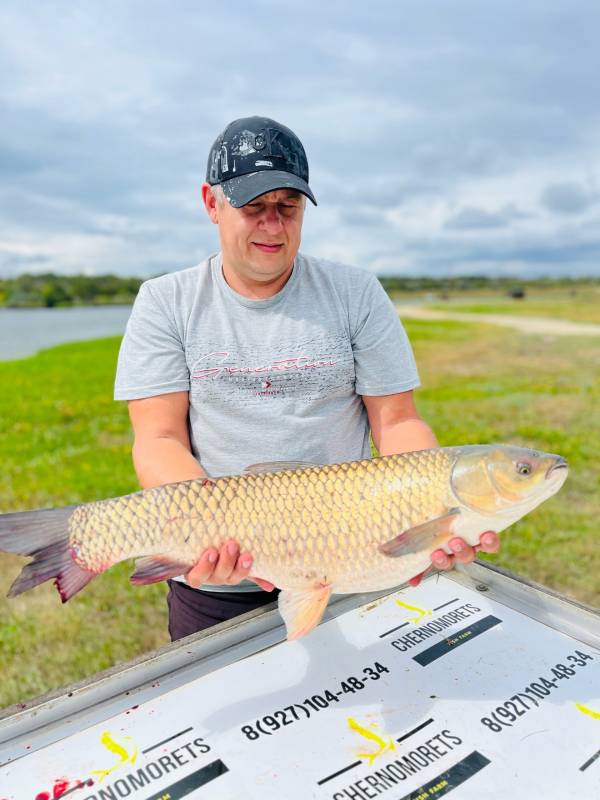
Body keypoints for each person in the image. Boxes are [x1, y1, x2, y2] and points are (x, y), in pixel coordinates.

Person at [114, 116, 499, 641]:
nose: (273, 226)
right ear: (211, 203)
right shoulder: (165, 302)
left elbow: (399, 422)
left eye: (287, 208)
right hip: (216, 582)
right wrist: (206, 536)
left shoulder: (356, 293)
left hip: (354, 560)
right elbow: (158, 438)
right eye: (253, 208)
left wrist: (436, 514)